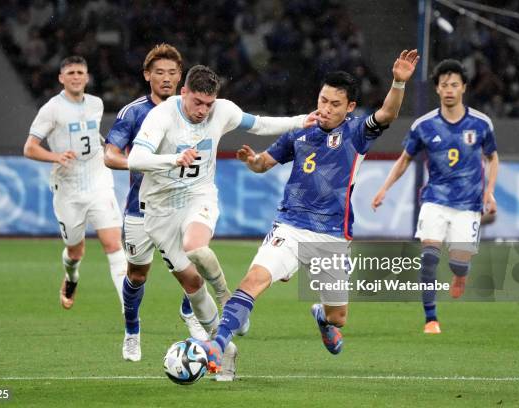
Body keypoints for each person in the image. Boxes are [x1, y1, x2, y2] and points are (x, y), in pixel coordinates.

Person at [193, 49, 420, 373]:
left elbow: (386, 114)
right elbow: (263, 164)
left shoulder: (357, 132)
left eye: (335, 104)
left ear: (350, 107)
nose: (326, 108)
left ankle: (323, 320)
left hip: (331, 236)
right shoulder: (299, 132)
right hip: (290, 226)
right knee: (253, 280)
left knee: (338, 316)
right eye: (323, 100)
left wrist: (398, 82)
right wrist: (252, 160)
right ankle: (217, 345)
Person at [127, 64, 319, 380]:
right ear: (183, 92)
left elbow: (259, 124)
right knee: (191, 284)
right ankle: (226, 350)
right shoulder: (161, 117)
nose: (203, 110)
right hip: (159, 210)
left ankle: (225, 296)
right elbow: (135, 159)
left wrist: (301, 120)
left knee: (196, 248)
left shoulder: (223, 111)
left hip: (198, 196)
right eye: (197, 102)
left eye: (209, 104)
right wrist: (172, 159)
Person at [371, 59, 499, 334]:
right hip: (435, 200)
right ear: (438, 90)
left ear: (463, 88)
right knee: (429, 257)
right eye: (444, 85)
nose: (449, 89)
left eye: (454, 84)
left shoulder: (480, 123)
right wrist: (384, 188)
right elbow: (405, 159)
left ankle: (460, 274)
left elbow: (492, 157)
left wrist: (489, 192)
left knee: (458, 262)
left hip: (468, 204)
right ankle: (431, 319)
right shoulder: (424, 126)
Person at [103, 44, 209, 362]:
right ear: (147, 75)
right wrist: (143, 163)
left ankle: (190, 313)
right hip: (142, 207)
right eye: (159, 72)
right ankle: (132, 332)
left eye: (173, 73)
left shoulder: (197, 109)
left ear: (181, 77)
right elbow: (111, 154)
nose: (166, 78)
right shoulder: (133, 113)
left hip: (182, 204)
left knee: (196, 259)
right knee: (137, 275)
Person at [23, 56, 126, 311]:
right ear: (61, 78)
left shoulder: (96, 104)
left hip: (98, 181)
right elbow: (29, 148)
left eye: (80, 72)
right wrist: (55, 156)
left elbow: (92, 136)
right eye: (70, 73)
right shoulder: (51, 109)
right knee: (75, 251)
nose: (76, 76)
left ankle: (129, 310)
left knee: (114, 245)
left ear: (87, 77)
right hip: (68, 189)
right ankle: (71, 278)